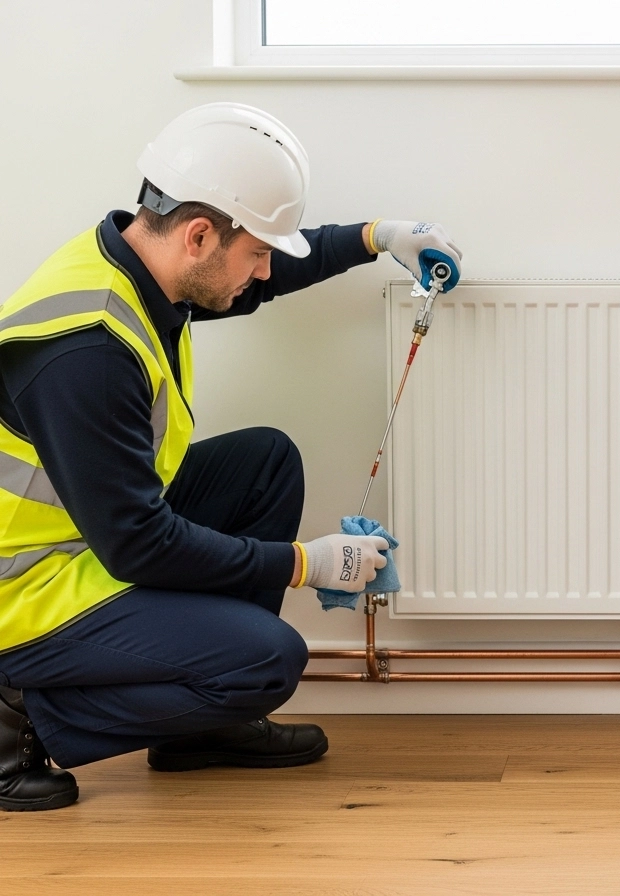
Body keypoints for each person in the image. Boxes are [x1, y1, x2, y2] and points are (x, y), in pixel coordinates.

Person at [0, 102, 462, 811]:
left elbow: (257, 277)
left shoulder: (142, 263)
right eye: (258, 252)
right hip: (26, 591)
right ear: (199, 235)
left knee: (264, 463)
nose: (265, 269)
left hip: (84, 535)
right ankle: (21, 717)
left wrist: (377, 237)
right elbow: (138, 548)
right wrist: (307, 563)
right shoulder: (87, 348)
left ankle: (201, 733)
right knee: (269, 659)